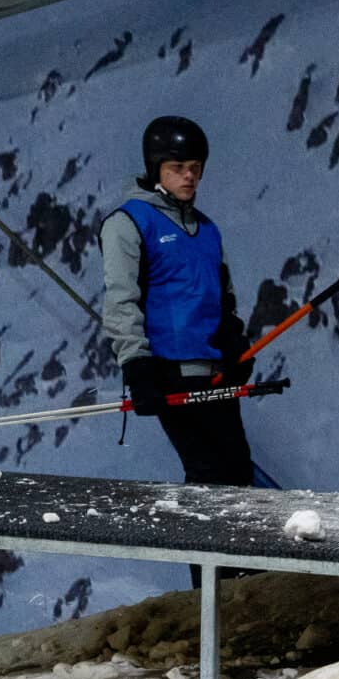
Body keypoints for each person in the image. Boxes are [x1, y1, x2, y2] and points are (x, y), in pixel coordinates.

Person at [99, 115, 255, 490]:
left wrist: (234, 342)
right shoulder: (130, 223)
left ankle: (224, 546)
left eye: (196, 168)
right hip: (170, 370)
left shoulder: (207, 229)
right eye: (178, 168)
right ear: (156, 169)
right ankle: (205, 545)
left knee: (236, 473)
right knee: (208, 474)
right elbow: (121, 300)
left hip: (214, 371)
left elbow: (223, 296)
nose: (189, 177)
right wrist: (137, 364)